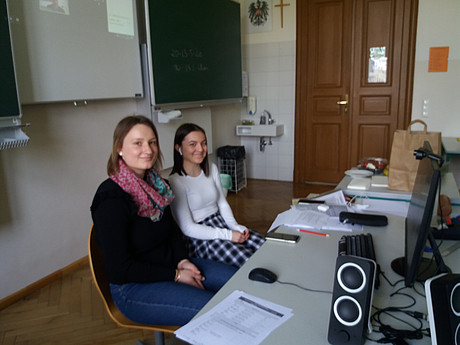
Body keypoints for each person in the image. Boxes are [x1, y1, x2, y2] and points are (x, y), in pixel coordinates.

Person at [90, 116, 237, 326]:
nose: (148, 150)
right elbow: (120, 268)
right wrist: (176, 275)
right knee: (219, 312)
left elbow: (172, 233)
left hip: (171, 265)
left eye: (152, 142)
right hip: (133, 288)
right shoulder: (110, 198)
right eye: (138, 143)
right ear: (119, 148)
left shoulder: (158, 186)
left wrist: (183, 261)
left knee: (243, 283)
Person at [169, 123, 265, 268]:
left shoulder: (211, 168)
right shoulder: (175, 181)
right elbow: (187, 228)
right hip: (200, 236)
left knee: (265, 246)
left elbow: (222, 203)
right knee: (248, 261)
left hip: (221, 223)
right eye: (192, 144)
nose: (200, 149)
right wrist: (228, 235)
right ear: (179, 148)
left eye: (203, 143)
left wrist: (234, 226)